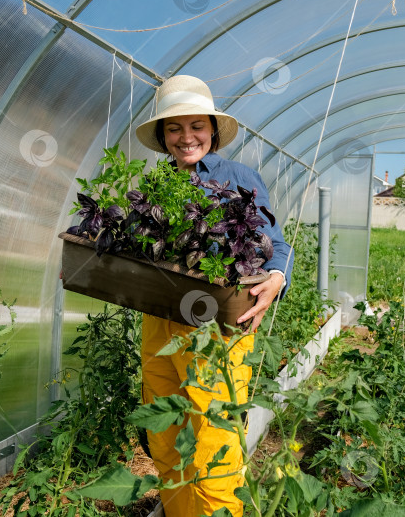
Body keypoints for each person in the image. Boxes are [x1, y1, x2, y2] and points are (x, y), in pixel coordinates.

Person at [134, 75, 294, 517]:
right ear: (163, 137)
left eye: (196, 126)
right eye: (174, 128)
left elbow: (274, 244)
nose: (187, 138)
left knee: (213, 439)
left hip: (217, 328)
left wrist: (277, 275)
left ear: (212, 129)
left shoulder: (239, 178)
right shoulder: (154, 186)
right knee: (166, 436)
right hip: (160, 321)